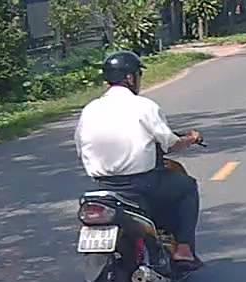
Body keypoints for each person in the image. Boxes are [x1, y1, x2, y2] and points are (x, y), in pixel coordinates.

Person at [75, 51, 204, 270]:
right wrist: (191, 139)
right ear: (130, 78)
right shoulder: (144, 106)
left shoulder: (89, 109)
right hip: (142, 184)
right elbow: (170, 143)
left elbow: (81, 148)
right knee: (187, 187)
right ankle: (183, 250)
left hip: (102, 186)